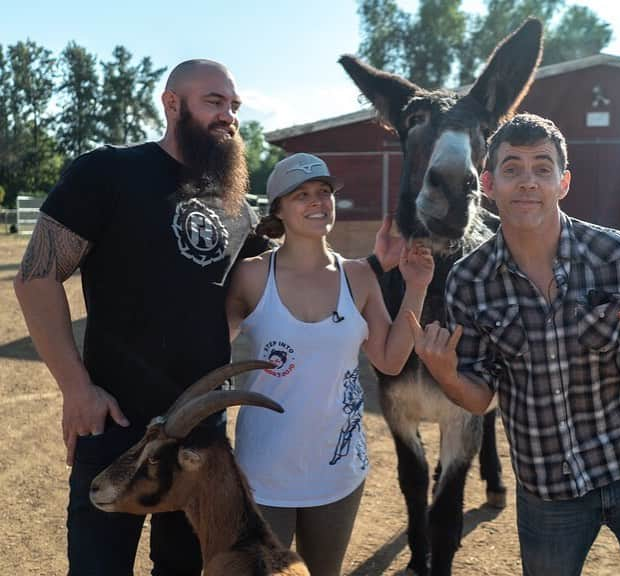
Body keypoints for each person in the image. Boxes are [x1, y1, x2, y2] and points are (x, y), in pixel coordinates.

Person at [13, 60, 403, 575]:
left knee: (182, 568)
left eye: (234, 106)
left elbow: (300, 270)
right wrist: (76, 388)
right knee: (98, 566)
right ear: (172, 104)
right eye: (214, 102)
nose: (229, 116)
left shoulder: (234, 206)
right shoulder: (108, 172)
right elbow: (36, 277)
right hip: (115, 420)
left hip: (200, 438)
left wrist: (384, 268)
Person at [407, 113, 620, 576]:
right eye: (512, 167)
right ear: (488, 183)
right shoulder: (469, 281)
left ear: (563, 182)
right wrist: (446, 376)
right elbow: (481, 398)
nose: (527, 182)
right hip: (546, 489)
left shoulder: (617, 255)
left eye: (542, 167)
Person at [225, 152, 434, 576]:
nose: (318, 201)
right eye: (302, 194)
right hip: (263, 471)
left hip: (337, 471)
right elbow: (206, 349)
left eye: (324, 192)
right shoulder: (250, 276)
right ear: (278, 209)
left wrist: (416, 287)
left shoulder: (358, 276)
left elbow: (391, 361)